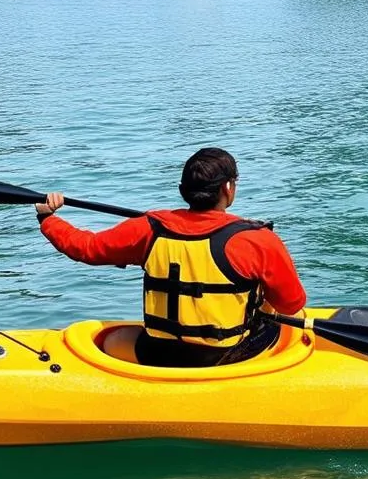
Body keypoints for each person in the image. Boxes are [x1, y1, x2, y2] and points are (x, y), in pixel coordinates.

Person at [35, 147, 307, 368]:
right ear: (227, 188)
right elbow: (291, 304)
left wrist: (48, 218)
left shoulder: (148, 228)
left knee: (111, 340)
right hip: (229, 355)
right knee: (286, 324)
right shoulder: (257, 240)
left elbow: (87, 248)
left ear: (182, 190)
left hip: (160, 354)